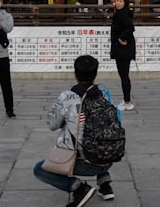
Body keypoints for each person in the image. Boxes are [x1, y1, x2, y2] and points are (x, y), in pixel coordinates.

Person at [33, 54, 116, 206]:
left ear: (75, 74)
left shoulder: (67, 97)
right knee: (98, 135)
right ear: (96, 74)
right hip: (110, 158)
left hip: (84, 163)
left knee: (39, 169)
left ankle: (79, 189)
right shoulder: (104, 95)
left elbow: (52, 125)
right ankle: (105, 185)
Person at [109, 0, 136, 111]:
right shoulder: (120, 14)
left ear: (125, 3)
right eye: (117, 1)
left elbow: (130, 28)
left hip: (123, 50)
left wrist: (122, 38)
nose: (118, 3)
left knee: (124, 76)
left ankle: (127, 102)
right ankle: (126, 100)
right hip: (121, 49)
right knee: (123, 75)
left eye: (120, 1)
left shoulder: (123, 15)